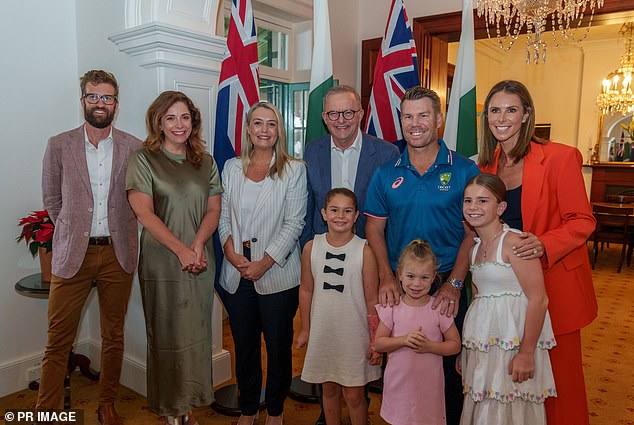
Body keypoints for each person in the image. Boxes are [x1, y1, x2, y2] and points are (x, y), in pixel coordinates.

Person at [477, 80, 597, 425]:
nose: (502, 118)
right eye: (495, 111)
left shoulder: (560, 157)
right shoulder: (487, 167)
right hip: (505, 294)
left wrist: (546, 243)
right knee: (515, 383)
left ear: (526, 114)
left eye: (511, 109)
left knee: (561, 386)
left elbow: (582, 221)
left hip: (554, 285)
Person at [364, 86, 480, 425]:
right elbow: (374, 229)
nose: (415, 123)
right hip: (403, 286)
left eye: (423, 115)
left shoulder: (462, 170)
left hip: (446, 284)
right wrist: (387, 275)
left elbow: (473, 233)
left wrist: (455, 284)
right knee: (401, 368)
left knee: (447, 373)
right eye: (408, 116)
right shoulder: (387, 172)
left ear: (439, 119)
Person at [38, 70, 142, 425]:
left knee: (113, 335)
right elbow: (52, 199)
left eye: (107, 97)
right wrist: (73, 229)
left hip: (119, 253)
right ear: (83, 100)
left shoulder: (134, 146)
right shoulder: (59, 144)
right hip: (72, 256)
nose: (100, 103)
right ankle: (45, 411)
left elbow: (140, 199)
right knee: (58, 339)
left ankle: (106, 403)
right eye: (93, 96)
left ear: (116, 103)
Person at [300, 84, 399, 425]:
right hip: (324, 261)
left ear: (361, 114)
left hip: (367, 259)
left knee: (357, 350)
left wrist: (388, 269)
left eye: (348, 112)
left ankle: (360, 407)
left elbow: (391, 213)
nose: (341, 120)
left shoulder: (386, 154)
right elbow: (306, 210)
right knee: (330, 355)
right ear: (324, 117)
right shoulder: (310, 153)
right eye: (333, 114)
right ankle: (330, 416)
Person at [126, 91, 222, 425]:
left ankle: (189, 406)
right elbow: (144, 214)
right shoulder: (143, 159)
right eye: (170, 118)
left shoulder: (205, 161)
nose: (178, 124)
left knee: (195, 335)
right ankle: (171, 411)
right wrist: (181, 250)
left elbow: (213, 209)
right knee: (167, 336)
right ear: (159, 123)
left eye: (184, 117)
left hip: (200, 258)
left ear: (193, 121)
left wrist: (196, 245)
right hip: (162, 262)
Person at [218, 101, 307, 425]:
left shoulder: (294, 169)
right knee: (245, 346)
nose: (264, 130)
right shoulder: (230, 167)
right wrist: (230, 252)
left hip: (278, 276)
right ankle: (248, 407)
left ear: (278, 130)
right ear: (248, 129)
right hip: (236, 273)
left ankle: (276, 409)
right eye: (258, 123)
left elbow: (295, 223)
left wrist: (265, 262)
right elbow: (223, 217)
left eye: (271, 124)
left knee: (279, 347)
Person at [460, 173, 556, 424]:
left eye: (483, 201)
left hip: (512, 343)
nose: (473, 207)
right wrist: (466, 350)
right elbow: (478, 298)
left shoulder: (515, 242)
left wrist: (526, 352)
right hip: (485, 344)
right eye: (468, 201)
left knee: (509, 404)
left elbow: (539, 299)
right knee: (486, 401)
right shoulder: (475, 249)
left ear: (500, 207)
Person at [296, 188, 382, 425]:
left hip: (354, 334)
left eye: (347, 211)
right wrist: (305, 328)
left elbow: (372, 299)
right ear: (324, 213)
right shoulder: (311, 248)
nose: (340, 216)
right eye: (334, 210)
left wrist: (375, 339)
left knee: (354, 395)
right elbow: (306, 290)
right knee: (329, 389)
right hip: (323, 332)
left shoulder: (364, 251)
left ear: (356, 216)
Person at [374, 239, 461, 425]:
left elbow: (455, 345)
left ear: (434, 277)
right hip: (399, 385)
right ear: (399, 275)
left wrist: (430, 347)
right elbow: (379, 343)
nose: (417, 284)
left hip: (429, 389)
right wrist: (403, 340)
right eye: (411, 276)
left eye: (424, 277)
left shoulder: (438, 308)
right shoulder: (393, 307)